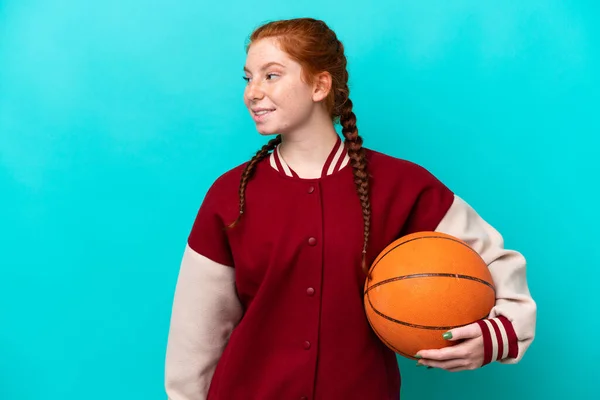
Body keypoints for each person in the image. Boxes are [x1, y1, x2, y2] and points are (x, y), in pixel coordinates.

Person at [164, 17, 536, 400]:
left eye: (271, 75)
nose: (253, 93)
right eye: (248, 78)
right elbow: (195, 340)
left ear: (319, 85)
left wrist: (497, 335)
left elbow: (493, 261)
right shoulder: (229, 195)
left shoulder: (402, 185)